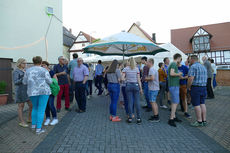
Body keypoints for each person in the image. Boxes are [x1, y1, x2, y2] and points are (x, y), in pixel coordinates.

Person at [23, 56, 53, 134]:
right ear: (41, 62)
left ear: (33, 62)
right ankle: (38, 129)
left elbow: (24, 82)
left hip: (32, 92)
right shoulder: (44, 70)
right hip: (44, 91)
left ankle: (33, 125)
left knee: (35, 108)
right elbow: (50, 81)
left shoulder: (28, 70)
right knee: (41, 110)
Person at [187, 55, 207, 127]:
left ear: (192, 60)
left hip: (196, 88)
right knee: (202, 103)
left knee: (196, 105)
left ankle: (199, 121)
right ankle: (204, 120)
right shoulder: (203, 67)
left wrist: (188, 87)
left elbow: (191, 78)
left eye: (189, 60)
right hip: (203, 87)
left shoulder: (193, 67)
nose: (189, 61)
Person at [122, 57, 143, 124]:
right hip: (136, 85)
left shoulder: (125, 69)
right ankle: (139, 118)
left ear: (128, 62)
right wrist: (141, 88)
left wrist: (126, 79)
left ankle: (130, 118)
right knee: (137, 102)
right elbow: (139, 80)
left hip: (128, 85)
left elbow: (122, 78)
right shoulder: (137, 69)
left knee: (130, 102)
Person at [13, 58, 32, 128]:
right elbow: (15, 82)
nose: (25, 64)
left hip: (27, 90)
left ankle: (29, 118)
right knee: (21, 106)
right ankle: (21, 121)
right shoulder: (16, 71)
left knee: (31, 105)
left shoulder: (26, 70)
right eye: (24, 63)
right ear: (20, 63)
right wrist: (23, 77)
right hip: (20, 91)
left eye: (26, 63)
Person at [168, 53, 183, 127]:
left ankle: (173, 116)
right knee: (175, 102)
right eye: (180, 59)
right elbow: (171, 73)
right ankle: (171, 119)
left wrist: (178, 75)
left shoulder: (172, 64)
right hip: (174, 86)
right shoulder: (174, 64)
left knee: (175, 102)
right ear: (178, 58)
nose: (180, 60)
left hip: (173, 85)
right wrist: (179, 74)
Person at [41, 61, 59, 126]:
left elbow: (56, 81)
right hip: (44, 91)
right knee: (46, 105)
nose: (43, 67)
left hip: (51, 91)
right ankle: (48, 118)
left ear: (47, 65)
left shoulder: (51, 72)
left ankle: (55, 118)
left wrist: (49, 80)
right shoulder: (41, 72)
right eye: (42, 65)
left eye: (44, 65)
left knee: (51, 104)